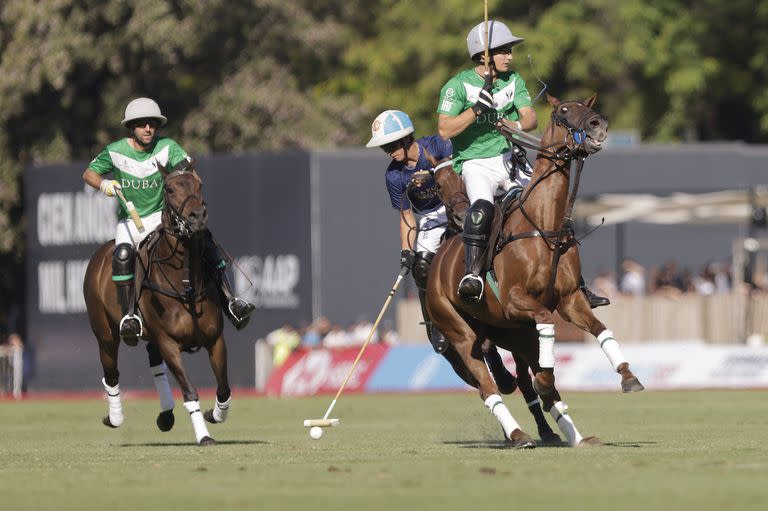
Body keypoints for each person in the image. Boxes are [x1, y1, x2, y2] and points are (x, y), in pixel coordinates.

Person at [437, 19, 609, 308]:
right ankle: (473, 276)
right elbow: (445, 129)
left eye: (509, 51)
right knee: (480, 212)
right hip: (475, 163)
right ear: (484, 54)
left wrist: (513, 124)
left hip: (508, 159)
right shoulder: (457, 86)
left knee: (550, 207)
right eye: (503, 50)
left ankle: (577, 284)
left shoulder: (513, 80)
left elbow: (530, 119)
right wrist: (475, 110)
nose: (510, 56)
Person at [82, 97, 255, 344]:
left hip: (163, 220)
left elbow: (191, 173)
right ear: (132, 127)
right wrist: (104, 184)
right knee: (122, 256)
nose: (148, 129)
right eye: (142, 124)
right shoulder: (116, 151)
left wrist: (190, 182)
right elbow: (88, 174)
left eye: (152, 124)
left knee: (205, 242)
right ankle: (130, 317)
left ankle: (231, 302)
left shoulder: (168, 147)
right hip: (131, 223)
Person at [366, 110, 452, 353]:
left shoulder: (437, 145)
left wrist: (435, 172)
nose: (388, 151)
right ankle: (435, 324)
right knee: (422, 268)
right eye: (384, 147)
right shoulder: (393, 175)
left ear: (406, 139)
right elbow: (406, 216)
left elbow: (459, 170)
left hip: (457, 206)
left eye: (391, 145)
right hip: (431, 218)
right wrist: (406, 251)